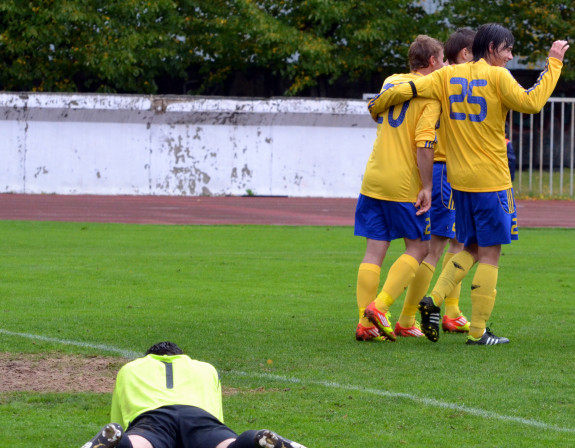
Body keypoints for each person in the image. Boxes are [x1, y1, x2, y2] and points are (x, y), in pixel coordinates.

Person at [368, 23, 569, 345]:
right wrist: (554, 63)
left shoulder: (447, 76)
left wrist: (378, 102)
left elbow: (413, 89)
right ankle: (478, 331)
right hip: (491, 179)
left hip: (458, 182)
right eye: (507, 50)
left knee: (470, 247)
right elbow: (531, 103)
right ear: (491, 49)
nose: (510, 57)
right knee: (490, 253)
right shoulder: (497, 76)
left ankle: (433, 300)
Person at [355, 35, 445, 342]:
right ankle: (380, 308)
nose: (444, 64)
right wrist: (428, 186)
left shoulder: (390, 81)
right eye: (442, 59)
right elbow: (424, 144)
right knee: (419, 247)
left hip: (374, 176)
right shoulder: (431, 97)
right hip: (402, 182)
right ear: (432, 61)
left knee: (374, 251)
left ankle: (364, 323)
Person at [81, 341, 306, 448]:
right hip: (200, 418)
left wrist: (124, 438)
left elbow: (119, 421)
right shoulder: (206, 368)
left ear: (147, 357)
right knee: (228, 445)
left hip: (153, 419)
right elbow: (217, 418)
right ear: (182, 356)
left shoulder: (129, 369)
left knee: (140, 443)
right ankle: (257, 440)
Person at [399, 28, 476, 337]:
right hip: (445, 167)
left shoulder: (451, 79)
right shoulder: (450, 80)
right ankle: (406, 317)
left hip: (455, 170)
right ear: (465, 54)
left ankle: (452, 312)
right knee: (436, 246)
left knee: (457, 242)